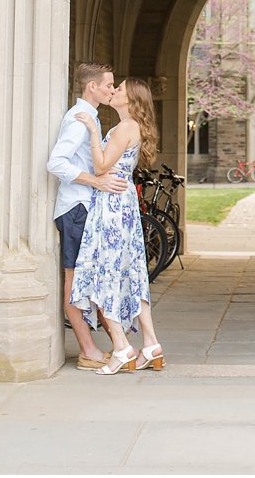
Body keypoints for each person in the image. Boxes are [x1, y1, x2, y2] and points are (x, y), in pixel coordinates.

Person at [71, 77, 167, 375]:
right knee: (131, 271)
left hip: (111, 205)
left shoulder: (125, 127)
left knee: (104, 271)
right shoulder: (131, 127)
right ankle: (150, 344)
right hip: (122, 203)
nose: (114, 91)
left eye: (120, 89)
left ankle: (123, 347)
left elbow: (101, 167)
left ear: (131, 99)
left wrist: (90, 130)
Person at [46, 62, 130, 371]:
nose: (112, 89)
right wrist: (95, 181)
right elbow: (56, 163)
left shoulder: (90, 119)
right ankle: (88, 351)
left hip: (85, 208)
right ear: (91, 87)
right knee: (74, 282)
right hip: (75, 210)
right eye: (109, 85)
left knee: (88, 280)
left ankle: (112, 345)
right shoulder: (79, 120)